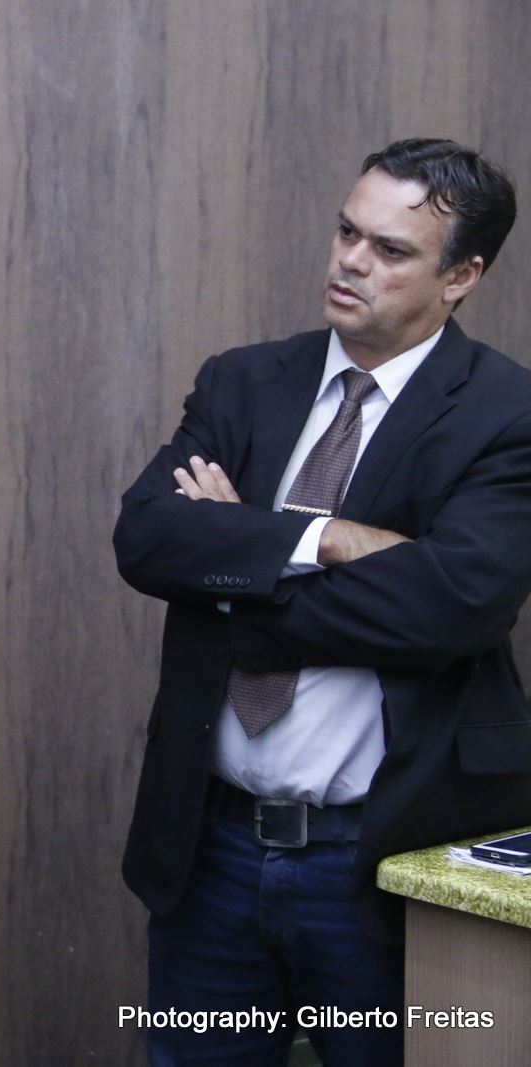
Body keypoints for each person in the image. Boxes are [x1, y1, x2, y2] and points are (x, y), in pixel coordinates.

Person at [114, 139, 531, 1065]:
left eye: (390, 250)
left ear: (461, 276)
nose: (350, 261)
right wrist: (326, 538)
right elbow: (145, 538)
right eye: (347, 232)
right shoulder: (243, 380)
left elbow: (454, 606)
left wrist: (237, 569)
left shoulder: (507, 414)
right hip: (213, 852)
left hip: (384, 861)